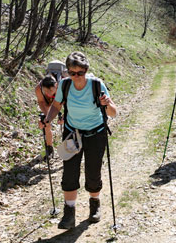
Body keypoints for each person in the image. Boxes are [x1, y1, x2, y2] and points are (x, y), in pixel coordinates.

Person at [40, 51, 117, 229]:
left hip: (95, 134)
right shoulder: (65, 85)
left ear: (86, 70)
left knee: (93, 171)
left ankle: (94, 204)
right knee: (69, 172)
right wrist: (48, 119)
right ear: (67, 72)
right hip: (72, 133)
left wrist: (107, 105)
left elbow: (113, 113)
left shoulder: (97, 85)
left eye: (80, 73)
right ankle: (69, 213)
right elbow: (57, 105)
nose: (76, 77)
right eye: (72, 73)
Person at [35, 75, 59, 159]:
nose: (48, 93)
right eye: (46, 91)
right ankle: (49, 148)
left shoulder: (61, 87)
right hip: (47, 102)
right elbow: (41, 102)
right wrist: (47, 117)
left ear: (56, 86)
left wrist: (62, 116)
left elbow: (64, 104)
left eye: (51, 90)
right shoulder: (39, 89)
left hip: (60, 100)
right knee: (46, 124)